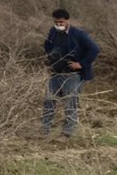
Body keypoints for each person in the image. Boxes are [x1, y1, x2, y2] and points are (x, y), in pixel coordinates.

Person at [42, 8, 99, 138]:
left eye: (61, 22)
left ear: (67, 21)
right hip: (56, 72)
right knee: (49, 101)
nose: (59, 25)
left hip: (72, 75)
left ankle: (67, 133)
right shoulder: (53, 32)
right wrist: (50, 58)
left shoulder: (78, 34)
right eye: (56, 22)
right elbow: (47, 45)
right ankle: (44, 131)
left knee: (70, 103)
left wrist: (81, 64)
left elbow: (94, 49)